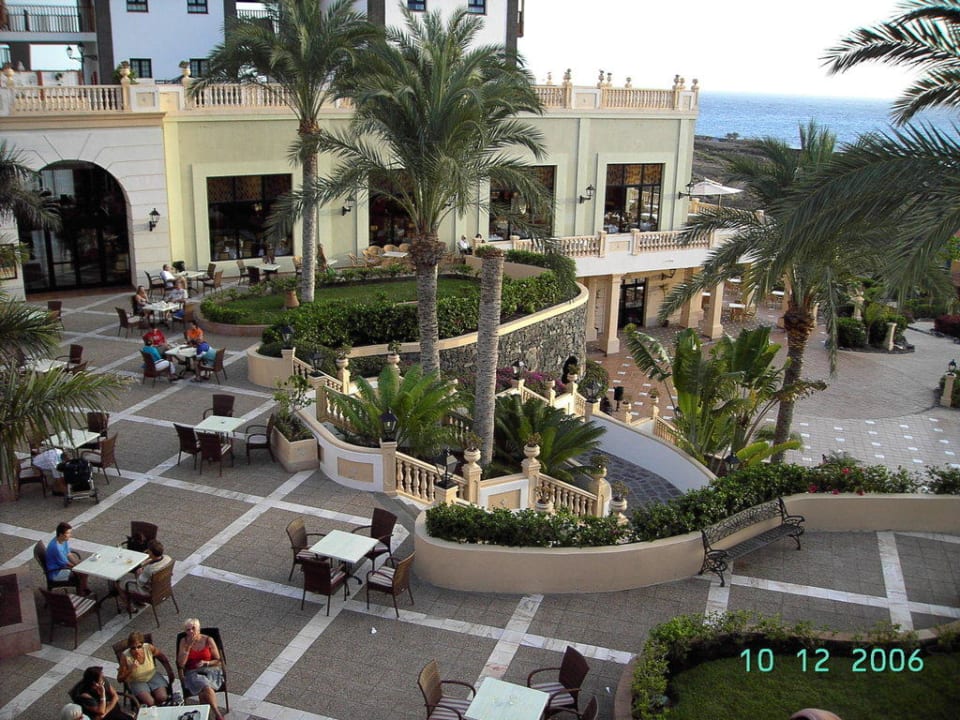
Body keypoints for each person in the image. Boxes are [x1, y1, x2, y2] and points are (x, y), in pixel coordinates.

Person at [177, 618, 225, 720]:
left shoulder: (208, 640)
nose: (190, 632)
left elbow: (218, 660)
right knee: (206, 686)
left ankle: (205, 716)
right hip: (192, 672)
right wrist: (188, 648)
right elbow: (181, 664)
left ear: (198, 629)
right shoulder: (183, 641)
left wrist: (206, 663)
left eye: (193, 628)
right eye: (187, 630)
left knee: (203, 692)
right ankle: (217, 714)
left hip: (210, 669)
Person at [116, 631, 174, 707]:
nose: (136, 650)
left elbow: (163, 658)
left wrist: (170, 672)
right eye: (133, 648)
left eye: (139, 647)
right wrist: (130, 669)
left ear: (142, 645)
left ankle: (157, 708)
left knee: (162, 697)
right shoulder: (125, 656)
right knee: (150, 702)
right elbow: (119, 679)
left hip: (152, 675)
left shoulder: (148, 648)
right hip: (137, 681)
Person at [118, 539, 172, 612]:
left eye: (148, 551)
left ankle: (130, 608)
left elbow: (140, 583)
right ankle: (139, 601)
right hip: (163, 587)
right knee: (138, 573)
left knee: (120, 584)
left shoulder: (150, 569)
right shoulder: (167, 558)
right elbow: (154, 562)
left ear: (151, 553)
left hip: (149, 592)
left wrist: (139, 573)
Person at [44, 521, 88, 594]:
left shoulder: (63, 540)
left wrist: (77, 563)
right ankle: (82, 592)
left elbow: (68, 554)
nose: (70, 535)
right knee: (82, 573)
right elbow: (67, 564)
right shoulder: (56, 548)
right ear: (61, 534)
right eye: (68, 533)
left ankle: (84, 589)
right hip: (56, 574)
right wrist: (79, 568)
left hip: (61, 568)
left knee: (83, 571)